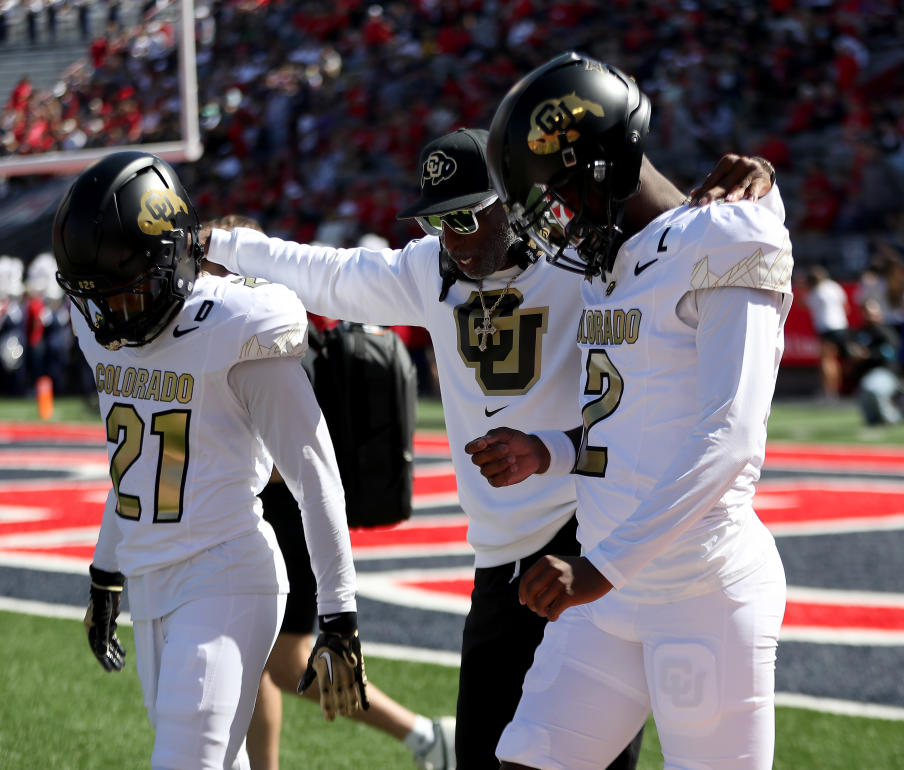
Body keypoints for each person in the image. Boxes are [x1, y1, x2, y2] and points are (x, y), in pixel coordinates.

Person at [202, 123, 778, 768]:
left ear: (517, 201)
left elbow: (681, 247)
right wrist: (223, 243)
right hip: (501, 559)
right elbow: (329, 273)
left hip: (587, 539)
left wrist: (750, 189)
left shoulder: (582, 262)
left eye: (470, 218)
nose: (455, 240)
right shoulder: (431, 270)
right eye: (438, 222)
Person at [465, 52, 792, 769]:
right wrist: (548, 448)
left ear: (603, 164)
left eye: (555, 194)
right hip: (612, 596)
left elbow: (729, 437)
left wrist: (597, 569)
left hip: (699, 590)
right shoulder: (614, 263)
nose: (553, 221)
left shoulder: (724, 237)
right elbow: (635, 430)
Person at [53, 151, 368, 769]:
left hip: (225, 572)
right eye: (98, 299)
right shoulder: (100, 322)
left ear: (167, 260)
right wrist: (105, 570)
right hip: (149, 578)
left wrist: (339, 611)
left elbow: (313, 474)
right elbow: (135, 465)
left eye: (124, 293)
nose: (109, 316)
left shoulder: (235, 324)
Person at [203, 215, 455, 770]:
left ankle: (426, 737)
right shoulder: (252, 320)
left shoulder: (269, 330)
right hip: (272, 515)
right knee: (259, 656)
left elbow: (285, 462)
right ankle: (425, 738)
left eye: (214, 260)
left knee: (288, 658)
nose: (202, 273)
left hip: (285, 516)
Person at [848, 297, 903, 425]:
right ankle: (875, 421)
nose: (869, 316)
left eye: (872, 312)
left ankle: (893, 418)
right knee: (870, 414)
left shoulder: (886, 331)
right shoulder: (861, 332)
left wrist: (868, 355)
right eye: (866, 312)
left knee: (873, 388)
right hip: (866, 375)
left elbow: (889, 353)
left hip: (886, 373)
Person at [805, 264, 850, 399]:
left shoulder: (816, 292)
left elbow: (803, 305)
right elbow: (846, 307)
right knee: (838, 361)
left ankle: (829, 392)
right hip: (841, 326)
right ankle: (836, 389)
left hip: (826, 328)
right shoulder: (834, 286)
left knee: (827, 361)